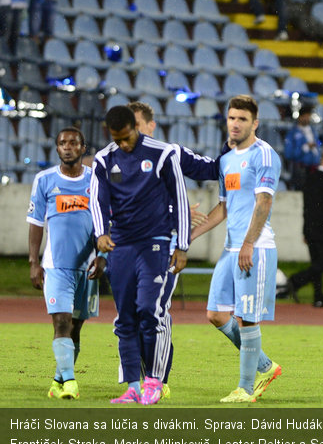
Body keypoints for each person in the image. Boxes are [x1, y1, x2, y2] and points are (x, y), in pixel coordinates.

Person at [90, 105, 191, 405]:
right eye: (116, 138)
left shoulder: (163, 154)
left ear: (136, 127)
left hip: (155, 243)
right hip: (120, 246)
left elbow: (180, 200)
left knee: (150, 309)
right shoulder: (104, 159)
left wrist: (182, 246)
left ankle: (155, 381)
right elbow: (96, 199)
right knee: (126, 318)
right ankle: (133, 385)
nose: (123, 144)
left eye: (126, 137)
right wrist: (101, 234)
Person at [128, 101, 224, 398]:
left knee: (155, 310)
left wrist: (234, 143)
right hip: (129, 246)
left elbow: (212, 169)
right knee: (134, 312)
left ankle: (158, 380)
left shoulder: (170, 153)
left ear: (150, 126)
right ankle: (147, 378)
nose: (130, 131)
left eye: (136, 124)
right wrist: (176, 208)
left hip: (165, 244)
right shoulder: (116, 158)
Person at [191, 95, 283, 403]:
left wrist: (248, 243)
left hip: (255, 248)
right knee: (216, 315)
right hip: (231, 250)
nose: (235, 123)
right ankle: (265, 366)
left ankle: (245, 388)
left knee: (246, 317)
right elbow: (224, 206)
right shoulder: (227, 160)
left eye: (242, 119)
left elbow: (264, 201)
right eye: (231, 118)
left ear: (254, 123)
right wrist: (190, 237)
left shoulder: (264, 155)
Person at [27, 127, 106, 400]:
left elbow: (106, 223)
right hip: (56, 266)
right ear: (57, 148)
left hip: (87, 266)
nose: (68, 147)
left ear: (83, 148)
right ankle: (71, 382)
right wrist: (33, 262)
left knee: (75, 327)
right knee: (61, 322)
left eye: (73, 143)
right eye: (62, 143)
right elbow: (37, 223)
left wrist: (103, 255)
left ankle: (58, 380)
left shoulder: (97, 181)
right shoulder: (45, 180)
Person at [285, 150, 323, 308]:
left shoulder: (309, 179)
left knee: (316, 263)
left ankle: (319, 298)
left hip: (310, 229)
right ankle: (295, 281)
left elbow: (306, 208)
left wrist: (305, 230)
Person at [283, 102, 321, 190]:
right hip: (300, 169)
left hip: (314, 168)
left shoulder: (313, 131)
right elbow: (288, 154)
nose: (307, 118)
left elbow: (318, 147)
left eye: (309, 116)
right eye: (305, 116)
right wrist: (304, 148)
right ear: (300, 117)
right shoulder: (292, 133)